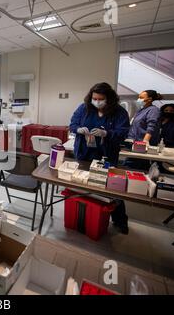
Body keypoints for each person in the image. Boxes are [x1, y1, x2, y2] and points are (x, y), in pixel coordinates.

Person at [70, 82, 131, 234]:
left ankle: (120, 221)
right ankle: (85, 215)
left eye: (100, 99)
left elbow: (123, 133)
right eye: (94, 98)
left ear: (109, 99)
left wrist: (107, 134)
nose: (97, 101)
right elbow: (72, 124)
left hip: (106, 155)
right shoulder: (84, 109)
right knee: (83, 184)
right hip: (84, 153)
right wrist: (78, 129)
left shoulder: (119, 112)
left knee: (110, 189)